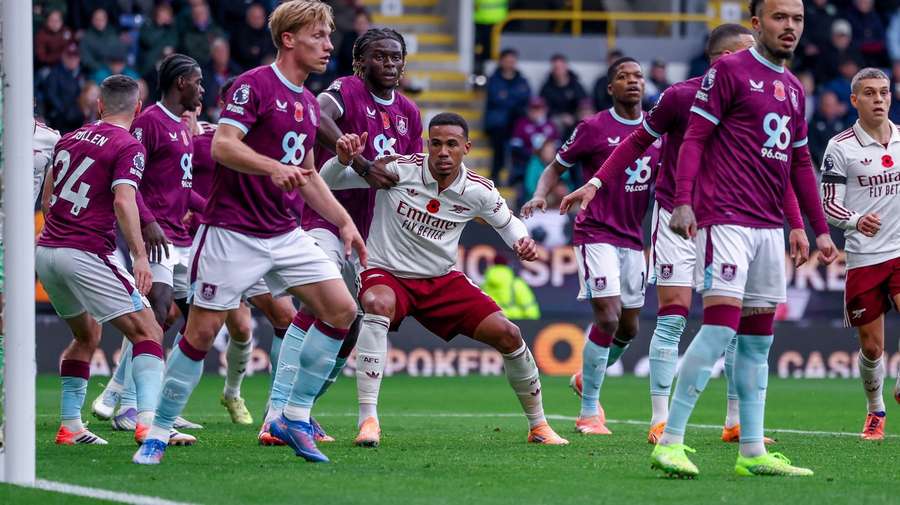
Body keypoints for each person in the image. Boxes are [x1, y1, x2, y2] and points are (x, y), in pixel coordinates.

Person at [133, 0, 365, 465]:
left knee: (343, 312)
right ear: (288, 39)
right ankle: (158, 432)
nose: (328, 44)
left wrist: (342, 221)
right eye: (319, 35)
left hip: (284, 232)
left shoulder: (304, 101)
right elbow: (222, 146)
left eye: (329, 35)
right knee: (200, 333)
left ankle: (292, 415)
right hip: (232, 233)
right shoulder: (253, 85)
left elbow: (308, 174)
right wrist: (272, 168)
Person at [560, 24, 791, 445]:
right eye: (746, 52)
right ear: (723, 58)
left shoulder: (758, 96)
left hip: (731, 217)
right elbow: (635, 141)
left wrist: (793, 220)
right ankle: (660, 419)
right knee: (673, 318)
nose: (754, 61)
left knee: (740, 323)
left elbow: (783, 162)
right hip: (675, 215)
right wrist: (594, 183)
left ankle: (735, 421)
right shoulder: (681, 96)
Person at [653, 0, 837, 478]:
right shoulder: (730, 71)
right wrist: (683, 200)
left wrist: (814, 230)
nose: (790, 27)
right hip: (726, 221)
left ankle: (751, 451)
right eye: (780, 18)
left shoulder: (795, 88)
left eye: (797, 19)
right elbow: (693, 139)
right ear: (757, 24)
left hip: (767, 227)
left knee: (758, 344)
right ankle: (670, 441)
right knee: (719, 329)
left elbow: (798, 163)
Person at [319, 112, 569, 446]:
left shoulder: (478, 190)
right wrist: (342, 159)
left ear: (466, 147)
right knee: (377, 303)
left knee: (508, 334)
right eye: (435, 143)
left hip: (441, 279)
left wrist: (521, 242)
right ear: (427, 145)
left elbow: (509, 224)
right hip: (387, 272)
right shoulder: (397, 169)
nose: (443, 152)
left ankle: (539, 426)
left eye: (452, 144)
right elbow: (330, 180)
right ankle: (368, 421)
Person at [262, 27, 423, 448]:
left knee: (349, 326)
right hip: (325, 221)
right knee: (323, 306)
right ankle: (276, 413)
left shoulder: (410, 112)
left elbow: (407, 172)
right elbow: (316, 111)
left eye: (395, 57)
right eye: (380, 57)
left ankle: (302, 410)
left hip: (374, 234)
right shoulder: (346, 91)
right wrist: (365, 164)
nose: (389, 64)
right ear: (360, 62)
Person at [522, 57, 662, 435]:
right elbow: (556, 166)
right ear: (610, 88)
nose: (632, 81)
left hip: (634, 237)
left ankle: (586, 377)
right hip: (595, 231)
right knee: (607, 316)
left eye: (638, 75)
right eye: (623, 77)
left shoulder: (658, 131)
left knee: (629, 328)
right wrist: (539, 195)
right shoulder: (594, 127)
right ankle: (588, 414)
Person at [35, 75, 164, 446]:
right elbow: (124, 201)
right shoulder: (129, 144)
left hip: (47, 253)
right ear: (138, 109)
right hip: (86, 252)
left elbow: (48, 199)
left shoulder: (68, 138)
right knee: (149, 331)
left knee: (87, 334)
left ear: (99, 105)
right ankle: (149, 422)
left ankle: (71, 426)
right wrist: (140, 256)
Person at [89, 54, 206, 439]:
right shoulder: (149, 123)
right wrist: (150, 223)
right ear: (181, 84)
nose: (203, 89)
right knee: (155, 314)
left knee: (184, 319)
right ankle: (129, 405)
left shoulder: (182, 128)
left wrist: (215, 212)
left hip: (183, 238)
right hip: (158, 237)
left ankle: (156, 403)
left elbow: (183, 189)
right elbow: (128, 182)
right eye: (198, 81)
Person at [185, 82, 299, 426]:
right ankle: (140, 403)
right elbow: (178, 183)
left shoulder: (261, 144)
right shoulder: (202, 142)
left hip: (258, 237)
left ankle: (270, 405)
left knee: (285, 317)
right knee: (228, 327)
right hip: (213, 240)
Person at [820, 67, 900, 440]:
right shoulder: (840, 147)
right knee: (872, 347)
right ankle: (875, 410)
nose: (879, 99)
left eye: (883, 92)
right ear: (855, 100)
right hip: (865, 257)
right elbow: (828, 204)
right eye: (869, 93)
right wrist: (854, 220)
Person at [484, 48, 530, 182]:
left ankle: (515, 176)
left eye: (512, 61)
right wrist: (514, 99)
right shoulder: (494, 79)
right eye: (507, 61)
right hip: (498, 122)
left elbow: (525, 98)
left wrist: (507, 97)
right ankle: (496, 173)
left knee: (520, 143)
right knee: (499, 143)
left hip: (516, 120)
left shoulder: (522, 80)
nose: (510, 64)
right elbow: (496, 99)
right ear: (501, 62)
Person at [510, 97, 558, 189]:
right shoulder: (522, 124)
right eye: (533, 109)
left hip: (549, 161)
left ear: (545, 109)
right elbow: (515, 148)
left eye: (539, 109)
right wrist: (532, 153)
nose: (536, 112)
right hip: (527, 161)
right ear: (528, 110)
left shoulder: (550, 125)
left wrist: (547, 155)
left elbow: (558, 145)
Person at [539, 54, 587, 136]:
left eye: (560, 67)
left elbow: (583, 103)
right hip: (557, 118)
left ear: (566, 67)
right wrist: (561, 117)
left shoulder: (575, 85)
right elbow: (545, 107)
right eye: (556, 68)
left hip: (574, 116)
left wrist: (574, 116)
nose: (558, 70)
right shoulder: (547, 88)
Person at [481, 254, 541, 320]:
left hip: (494, 322)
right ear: (507, 265)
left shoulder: (484, 286)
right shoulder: (516, 284)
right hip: (516, 322)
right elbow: (529, 306)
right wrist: (533, 322)